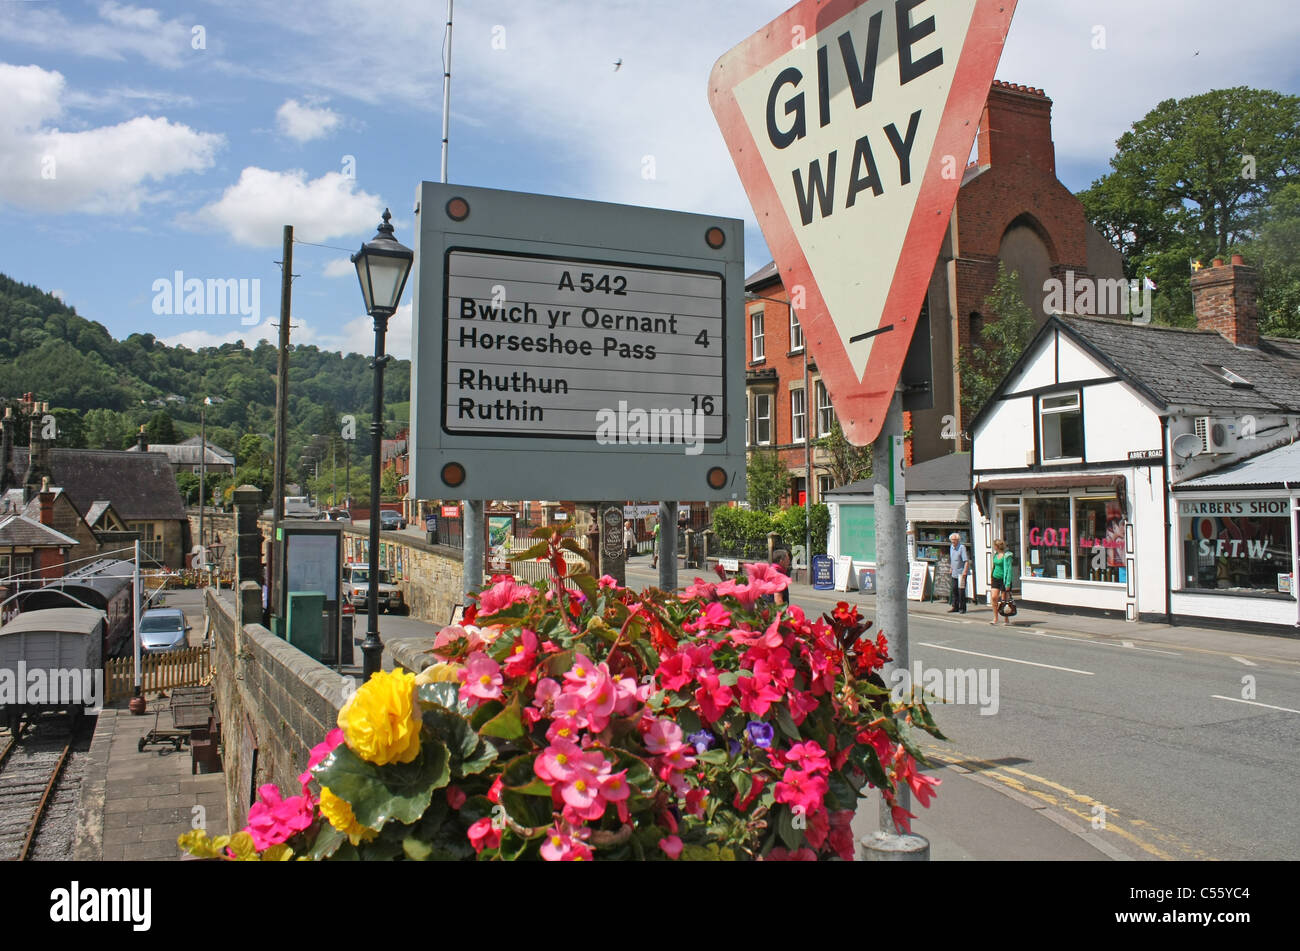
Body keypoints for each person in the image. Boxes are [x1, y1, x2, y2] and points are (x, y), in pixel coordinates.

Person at [989, 538, 1013, 624]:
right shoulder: (995, 555)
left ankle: (1006, 618)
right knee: (994, 597)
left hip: (1004, 579)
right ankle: (995, 618)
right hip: (995, 578)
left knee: (1004, 600)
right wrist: (991, 575)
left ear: (997, 546)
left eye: (994, 546)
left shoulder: (1007, 556)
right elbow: (994, 566)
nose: (993, 547)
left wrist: (1008, 583)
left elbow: (1009, 570)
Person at [948, 532, 970, 613]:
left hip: (961, 573)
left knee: (961, 591)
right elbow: (952, 559)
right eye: (952, 540)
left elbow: (966, 561)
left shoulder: (962, 547)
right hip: (954, 572)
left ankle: (962, 608)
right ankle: (955, 606)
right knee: (954, 590)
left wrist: (965, 571)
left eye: (955, 540)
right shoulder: (951, 547)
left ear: (958, 540)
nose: (953, 542)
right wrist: (951, 568)